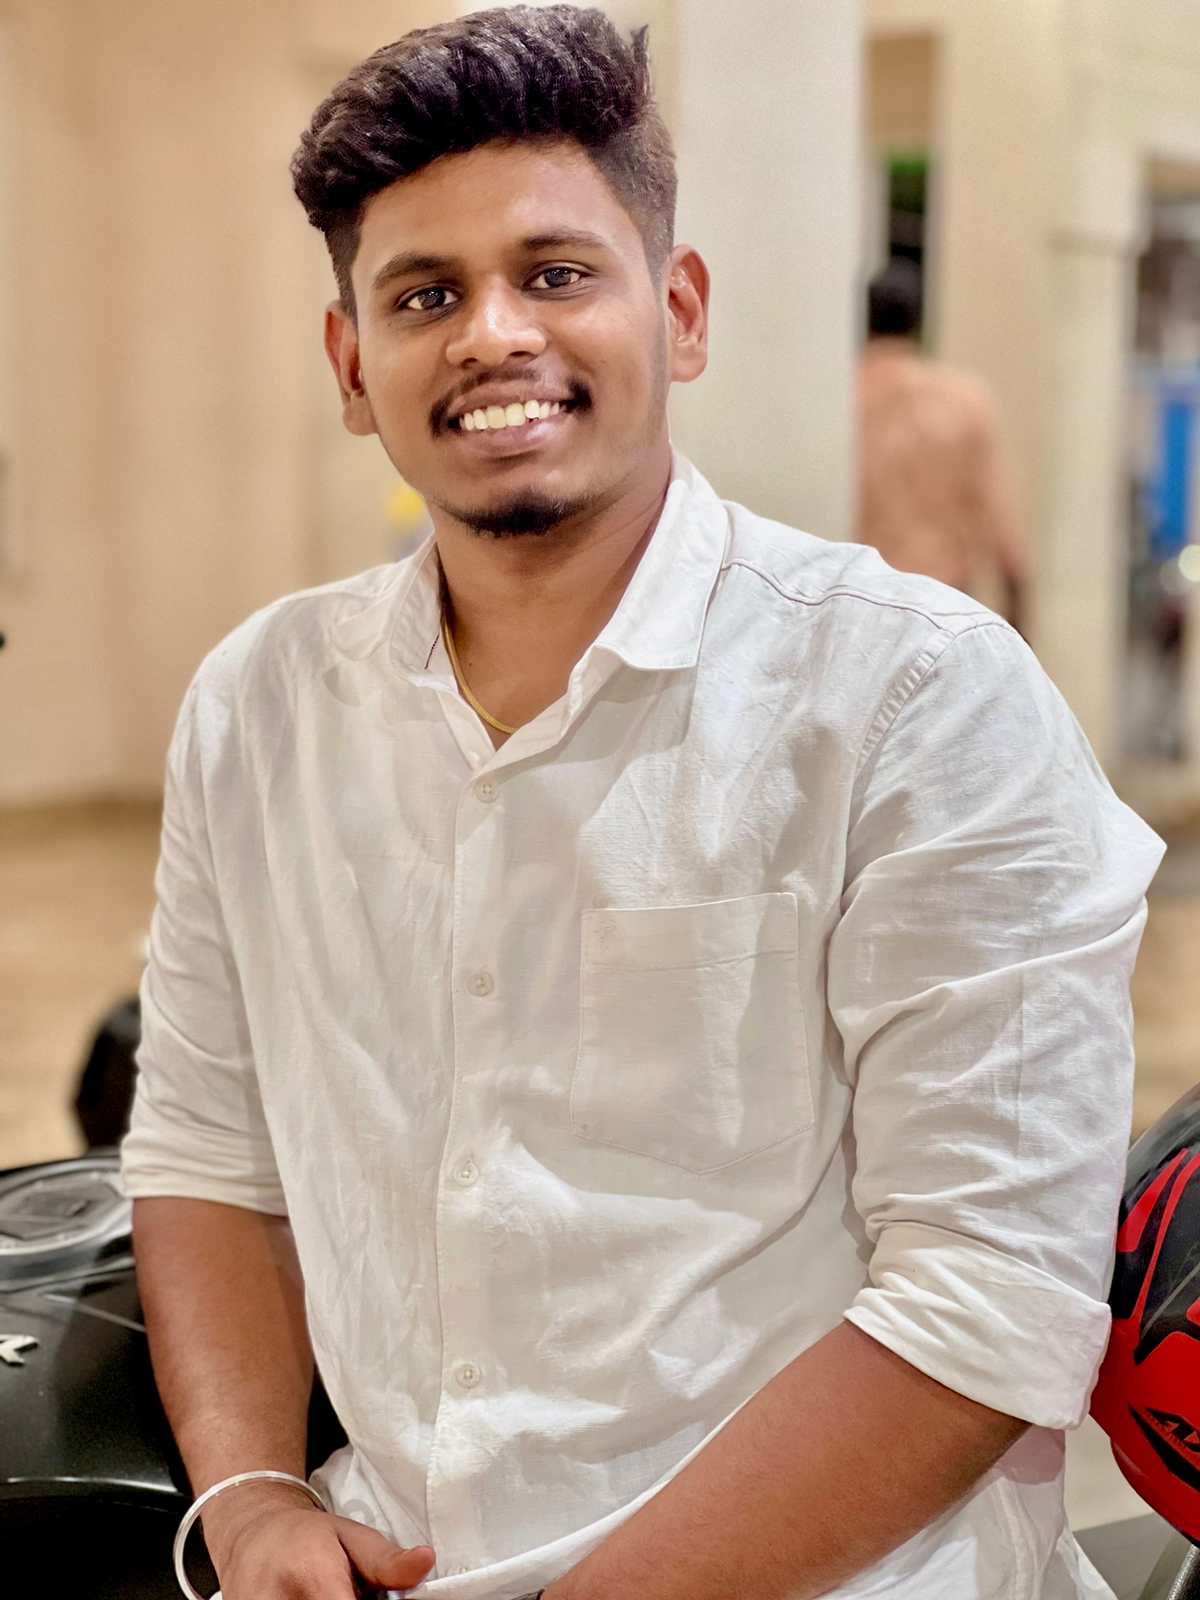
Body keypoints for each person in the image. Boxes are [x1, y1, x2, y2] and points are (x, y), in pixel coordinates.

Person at [121, 9, 1162, 1600]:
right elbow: (209, 1152)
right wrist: (256, 1499)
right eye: (424, 295)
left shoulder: (916, 697)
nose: (493, 335)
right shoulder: (259, 708)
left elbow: (988, 1299)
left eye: (555, 274)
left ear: (677, 313)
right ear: (352, 367)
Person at [857, 256, 1032, 632]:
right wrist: (1019, 621)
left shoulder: (842, 402)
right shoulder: (965, 401)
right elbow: (1000, 523)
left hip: (861, 603)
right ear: (918, 322)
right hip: (944, 607)